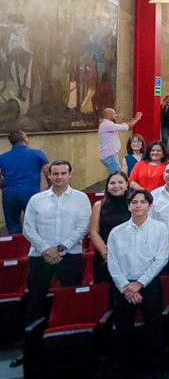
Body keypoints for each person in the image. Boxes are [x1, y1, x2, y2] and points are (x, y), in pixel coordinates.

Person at [103, 188, 169, 379]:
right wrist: (126, 285)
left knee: (154, 331)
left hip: (148, 285)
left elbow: (161, 259)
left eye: (142, 202)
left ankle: (157, 373)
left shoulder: (159, 229)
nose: (138, 205)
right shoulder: (117, 232)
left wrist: (139, 283)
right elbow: (112, 262)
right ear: (129, 206)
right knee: (121, 333)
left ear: (150, 206)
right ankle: (122, 375)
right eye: (134, 202)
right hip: (123, 288)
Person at [21, 161, 91, 331]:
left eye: (63, 173)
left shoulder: (81, 198)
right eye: (55, 174)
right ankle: (31, 348)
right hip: (39, 257)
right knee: (35, 302)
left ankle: (69, 338)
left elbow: (83, 227)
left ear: (70, 175)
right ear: (49, 176)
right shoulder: (36, 199)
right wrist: (46, 249)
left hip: (70, 256)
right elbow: (28, 228)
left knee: (70, 301)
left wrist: (60, 248)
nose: (59, 177)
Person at [0, 131, 49, 235]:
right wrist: (50, 186)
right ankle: (32, 247)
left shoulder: (3, 157)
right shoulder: (37, 154)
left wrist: (2, 185)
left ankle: (17, 247)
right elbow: (47, 171)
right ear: (25, 139)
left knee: (13, 225)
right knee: (34, 223)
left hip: (9, 194)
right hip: (31, 193)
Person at [87, 171, 131, 285]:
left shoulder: (134, 205)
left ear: (127, 185)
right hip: (104, 255)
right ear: (107, 186)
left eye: (120, 182)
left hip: (129, 255)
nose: (116, 186)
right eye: (112, 183)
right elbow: (93, 232)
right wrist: (105, 253)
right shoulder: (98, 205)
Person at [98, 108, 143, 175]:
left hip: (111, 156)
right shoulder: (107, 125)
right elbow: (126, 127)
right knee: (116, 177)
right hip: (110, 156)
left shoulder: (109, 125)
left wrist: (133, 120)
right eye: (114, 114)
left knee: (119, 176)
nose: (116, 115)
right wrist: (137, 119)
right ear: (108, 115)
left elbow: (124, 125)